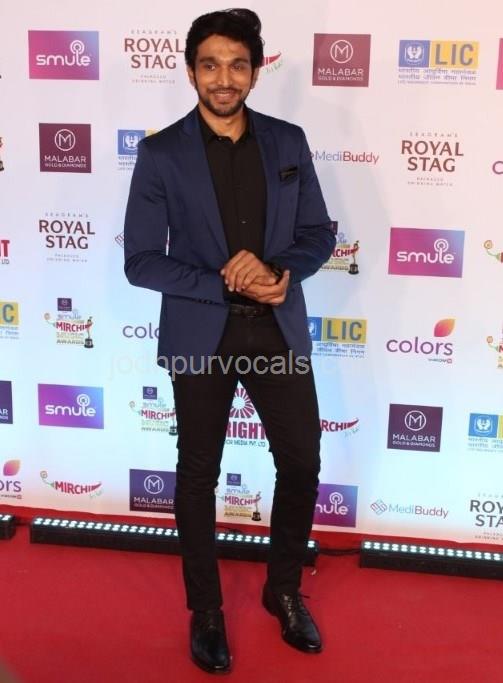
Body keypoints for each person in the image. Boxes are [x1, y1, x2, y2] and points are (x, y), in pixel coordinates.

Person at [124, 8, 335, 674]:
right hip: (202, 335)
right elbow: (140, 261)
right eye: (210, 64)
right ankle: (207, 610)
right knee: (197, 475)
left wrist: (279, 271)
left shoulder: (287, 142)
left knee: (301, 462)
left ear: (255, 71)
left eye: (237, 64)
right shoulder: (161, 154)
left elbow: (319, 232)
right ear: (191, 72)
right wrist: (225, 282)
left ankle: (282, 590)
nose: (224, 78)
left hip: (275, 329)